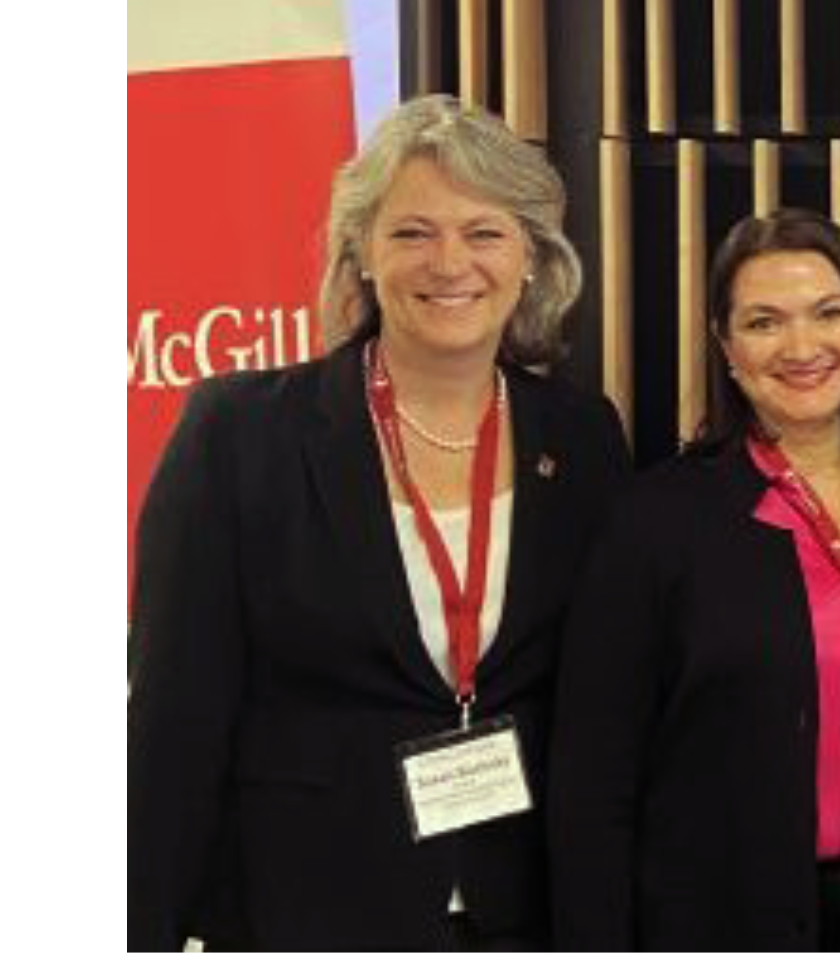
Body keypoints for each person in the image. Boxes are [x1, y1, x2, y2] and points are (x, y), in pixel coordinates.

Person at [131, 95, 634, 951]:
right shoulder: (242, 433)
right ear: (361, 251)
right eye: (411, 233)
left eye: (484, 232)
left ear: (529, 258)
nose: (450, 263)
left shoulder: (583, 438)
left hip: (522, 911)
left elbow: (603, 705)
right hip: (308, 912)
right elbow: (174, 722)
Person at [549, 210, 840, 950]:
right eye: (763, 322)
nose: (802, 346)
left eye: (828, 313)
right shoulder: (658, 522)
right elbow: (595, 781)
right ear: (726, 348)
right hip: (727, 916)